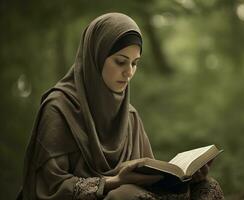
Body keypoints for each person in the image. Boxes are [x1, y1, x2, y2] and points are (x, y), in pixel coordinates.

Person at [19, 12, 224, 200]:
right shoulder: (59, 108)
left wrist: (186, 179)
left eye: (134, 63)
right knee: (125, 195)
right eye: (120, 62)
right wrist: (115, 182)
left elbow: (150, 180)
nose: (129, 72)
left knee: (206, 187)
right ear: (96, 58)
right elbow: (48, 187)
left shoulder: (130, 115)